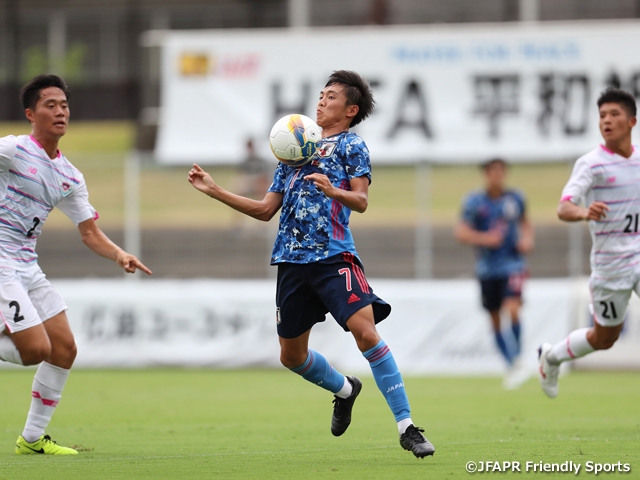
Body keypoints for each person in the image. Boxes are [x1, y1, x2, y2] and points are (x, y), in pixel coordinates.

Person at [189, 70, 435, 458]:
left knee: (366, 333)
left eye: (331, 96)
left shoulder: (351, 146)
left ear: (350, 109)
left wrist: (333, 189)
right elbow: (266, 210)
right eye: (320, 95)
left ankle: (407, 426)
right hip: (291, 261)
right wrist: (214, 190)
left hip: (334, 256)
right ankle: (345, 389)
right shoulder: (293, 150)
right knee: (291, 356)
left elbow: (361, 201)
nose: (321, 101)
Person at [0, 74, 151, 454]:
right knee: (34, 350)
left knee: (64, 348)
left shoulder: (69, 175)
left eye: (64, 105)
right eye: (50, 105)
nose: (60, 111)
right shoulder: (13, 150)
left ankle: (32, 438)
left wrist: (119, 253)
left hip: (26, 265)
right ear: (30, 114)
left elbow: (89, 231)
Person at [538, 88, 639, 398]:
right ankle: (551, 357)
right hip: (610, 267)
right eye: (602, 115)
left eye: (614, 114)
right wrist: (584, 212)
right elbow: (563, 207)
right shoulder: (591, 164)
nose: (606, 121)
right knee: (604, 338)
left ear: (632, 121)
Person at [454, 158, 534, 389]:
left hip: (513, 264)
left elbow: (526, 223)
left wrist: (527, 239)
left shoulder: (516, 198)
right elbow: (461, 232)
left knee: (513, 308)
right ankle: (512, 365)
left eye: (501, 171)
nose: (497, 175)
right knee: (495, 319)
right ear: (486, 174)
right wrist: (485, 239)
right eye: (492, 171)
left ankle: (518, 359)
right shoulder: (474, 201)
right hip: (488, 269)